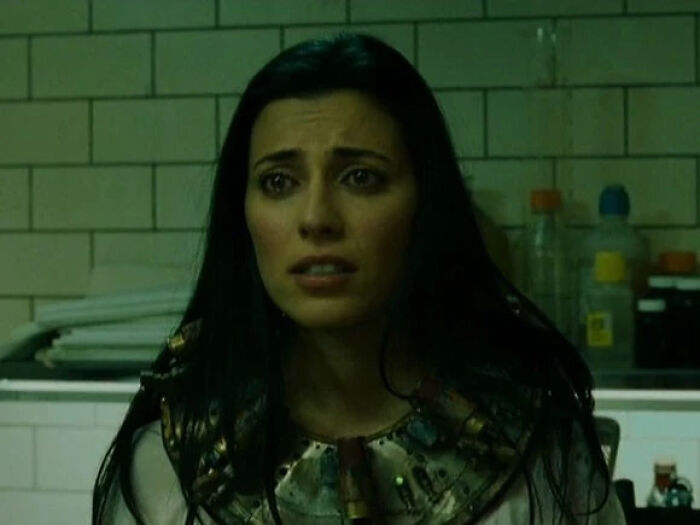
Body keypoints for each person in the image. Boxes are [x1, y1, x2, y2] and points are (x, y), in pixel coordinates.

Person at [93, 33, 625, 524]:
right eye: (278, 182)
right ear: (244, 216)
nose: (316, 218)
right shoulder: (167, 473)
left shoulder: (537, 460)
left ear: (425, 204)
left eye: (360, 177)